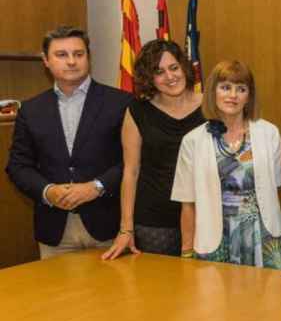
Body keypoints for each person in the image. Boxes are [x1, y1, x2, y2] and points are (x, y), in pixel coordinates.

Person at [6, 26, 132, 258]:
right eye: (61, 55)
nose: (72, 61)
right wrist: (48, 191)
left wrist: (97, 186)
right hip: (55, 230)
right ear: (46, 60)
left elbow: (134, 161)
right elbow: (18, 166)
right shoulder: (31, 110)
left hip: (110, 226)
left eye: (79, 54)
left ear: (88, 57)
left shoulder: (121, 103)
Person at [170, 60, 281, 268]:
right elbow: (187, 203)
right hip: (215, 239)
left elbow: (276, 187)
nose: (233, 95)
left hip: (264, 236)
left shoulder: (269, 133)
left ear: (249, 96)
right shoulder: (192, 141)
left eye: (241, 89)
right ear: (213, 92)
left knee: (269, 290)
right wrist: (186, 251)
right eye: (225, 87)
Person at [102, 40, 205, 259]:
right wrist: (126, 229)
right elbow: (131, 172)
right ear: (149, 78)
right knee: (157, 281)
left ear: (184, 67)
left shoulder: (211, 107)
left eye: (174, 67)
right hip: (154, 221)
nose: (170, 76)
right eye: (159, 72)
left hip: (205, 216)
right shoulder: (137, 111)